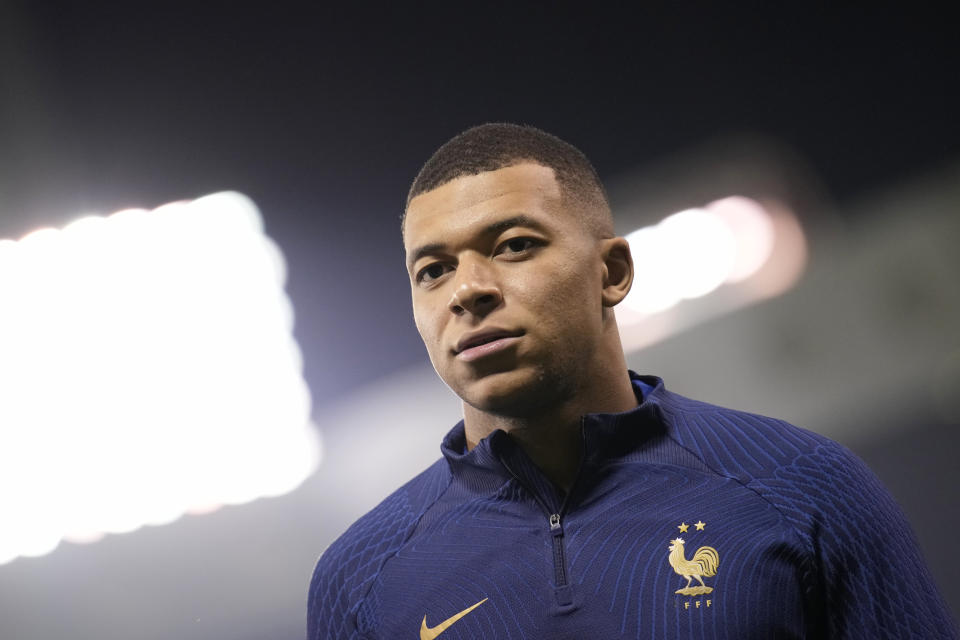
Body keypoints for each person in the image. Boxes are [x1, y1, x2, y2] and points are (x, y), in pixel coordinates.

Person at [308, 123, 957, 639]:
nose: (469, 290)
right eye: (433, 270)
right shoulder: (361, 580)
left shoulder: (807, 487)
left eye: (513, 245)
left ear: (612, 273)